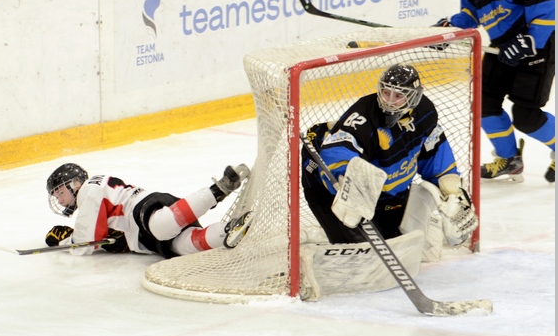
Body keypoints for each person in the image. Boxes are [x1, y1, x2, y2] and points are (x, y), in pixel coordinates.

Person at [301, 64, 478, 256]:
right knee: (366, 257)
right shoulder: (364, 115)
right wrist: (347, 181)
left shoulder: (424, 112)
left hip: (387, 194)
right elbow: (339, 148)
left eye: (398, 95)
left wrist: (451, 192)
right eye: (386, 93)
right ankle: (338, 228)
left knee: (411, 251)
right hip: (328, 181)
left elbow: (434, 152)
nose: (389, 102)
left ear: (413, 97)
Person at [434, 0, 555, 183]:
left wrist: (530, 41)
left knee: (526, 117)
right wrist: (450, 28)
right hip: (502, 47)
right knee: (484, 105)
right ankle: (509, 160)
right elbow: (470, 14)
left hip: (536, 48)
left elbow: (547, 8)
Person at [44, 162, 254, 257]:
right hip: (145, 233)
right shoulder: (92, 192)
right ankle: (229, 229)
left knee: (161, 228)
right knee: (184, 246)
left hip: (144, 209)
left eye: (60, 193)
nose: (60, 201)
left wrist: (65, 240)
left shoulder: (88, 190)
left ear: (74, 184)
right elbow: (102, 233)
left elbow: (85, 244)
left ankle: (218, 190)